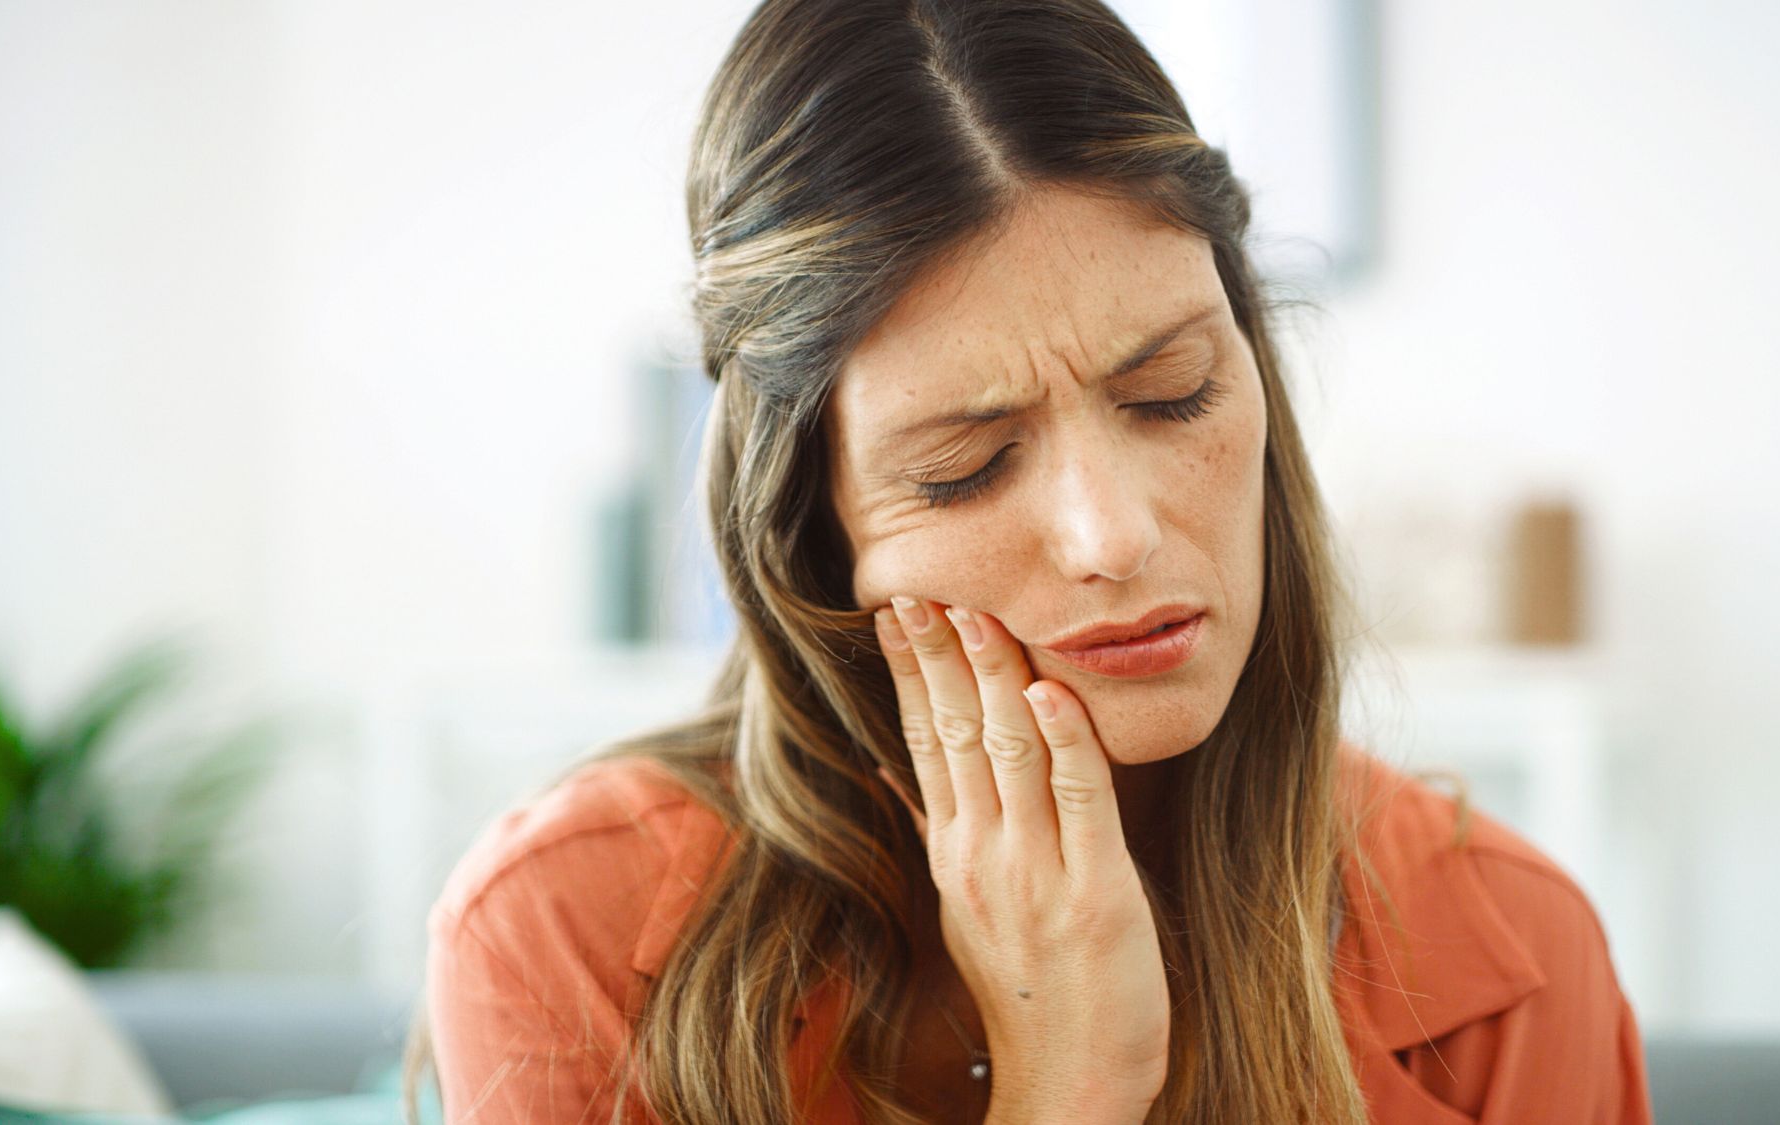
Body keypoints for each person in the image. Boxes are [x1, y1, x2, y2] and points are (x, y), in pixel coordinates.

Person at [404, 0, 1653, 1122]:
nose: (1113, 537)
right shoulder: (567, 930)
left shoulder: (1509, 948)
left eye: (1172, 394)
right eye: (964, 465)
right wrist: (1070, 1087)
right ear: (810, 522)